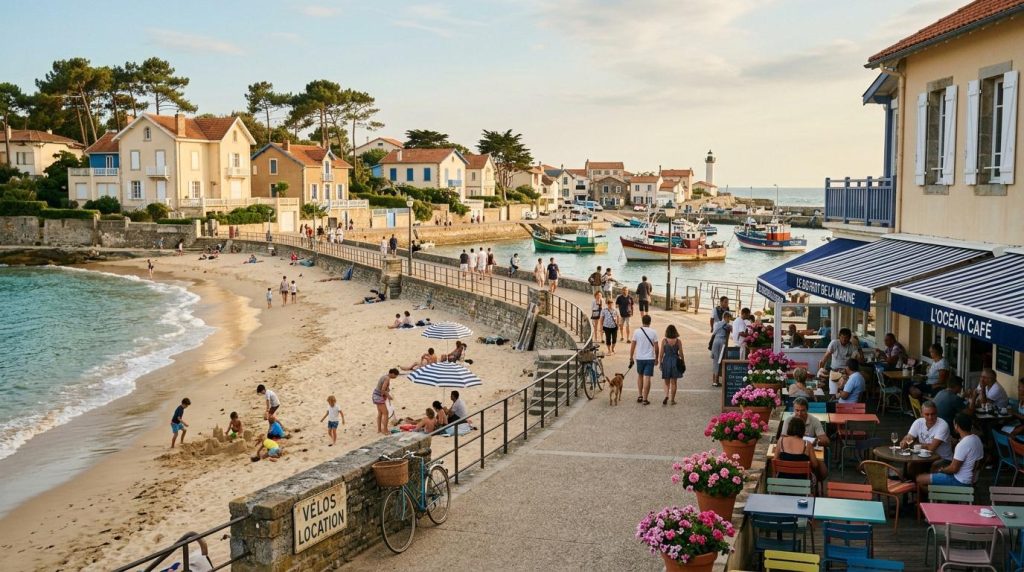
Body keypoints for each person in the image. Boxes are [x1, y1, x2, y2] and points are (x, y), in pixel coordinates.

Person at [917, 414, 983, 491]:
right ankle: (939, 496)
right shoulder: (977, 439)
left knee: (919, 479)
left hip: (960, 481)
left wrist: (942, 470)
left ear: (956, 426)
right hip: (972, 480)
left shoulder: (963, 444)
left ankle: (936, 497)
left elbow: (953, 469)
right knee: (934, 469)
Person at [776, 417, 826, 483]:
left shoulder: (781, 441)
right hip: (803, 482)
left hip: (782, 480)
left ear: (789, 428)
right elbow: (815, 465)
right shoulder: (807, 444)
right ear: (803, 430)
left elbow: (775, 460)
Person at [630, 314, 660, 405]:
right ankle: (645, 399)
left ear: (642, 321)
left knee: (640, 376)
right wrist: (657, 358)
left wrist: (631, 357)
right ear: (650, 322)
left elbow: (633, 345)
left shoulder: (636, 331)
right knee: (647, 378)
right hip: (649, 358)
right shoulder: (653, 332)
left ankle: (640, 395)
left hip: (639, 358)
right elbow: (657, 347)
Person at [660, 324, 684, 406]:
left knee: (666, 382)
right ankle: (672, 400)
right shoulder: (678, 341)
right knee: (674, 382)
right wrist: (683, 361)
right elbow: (681, 353)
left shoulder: (664, 341)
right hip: (675, 361)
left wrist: (660, 363)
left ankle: (666, 396)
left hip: (666, 361)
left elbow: (661, 353)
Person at [710, 312, 732, 388]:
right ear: (726, 317)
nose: (729, 320)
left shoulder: (717, 323)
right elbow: (732, 334)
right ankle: (716, 381)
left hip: (715, 342)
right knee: (720, 361)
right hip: (722, 343)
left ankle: (714, 381)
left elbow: (714, 333)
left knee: (715, 361)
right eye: (729, 318)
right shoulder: (728, 326)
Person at [373, 369, 398, 435]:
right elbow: (383, 389)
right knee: (386, 413)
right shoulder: (387, 378)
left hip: (375, 395)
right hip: (378, 396)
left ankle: (379, 430)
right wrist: (388, 396)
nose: (395, 377)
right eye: (395, 375)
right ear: (392, 374)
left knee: (380, 413)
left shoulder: (384, 376)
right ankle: (385, 430)